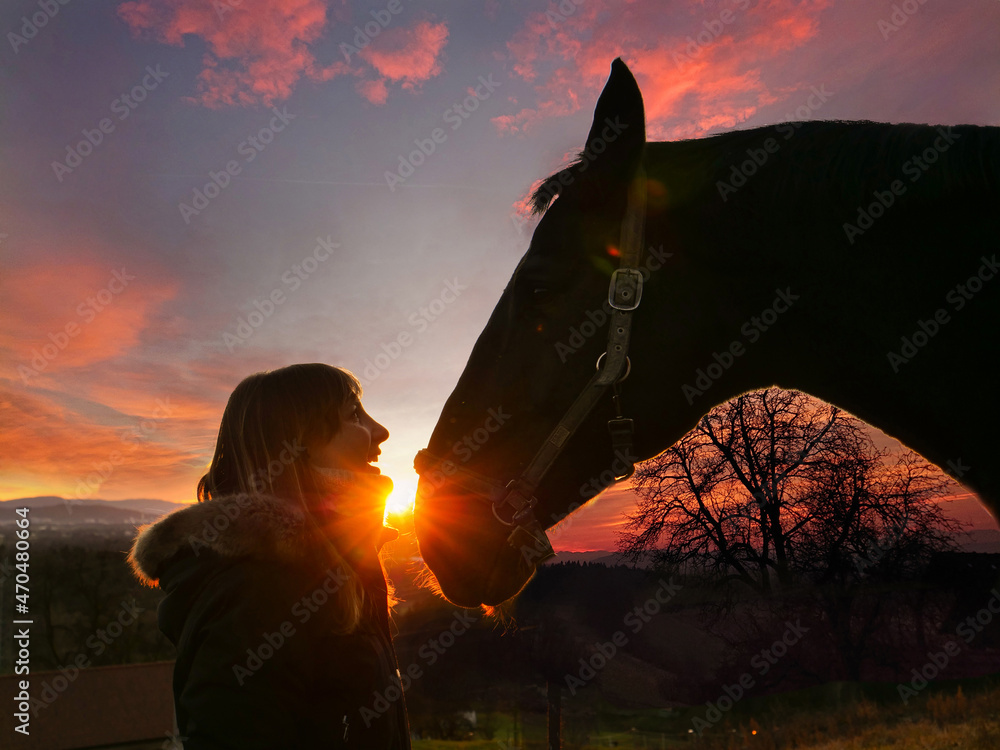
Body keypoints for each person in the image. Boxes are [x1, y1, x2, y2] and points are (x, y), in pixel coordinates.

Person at [129, 363, 410, 748]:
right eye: (354, 416)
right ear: (300, 444)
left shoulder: (332, 566)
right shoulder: (259, 589)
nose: (381, 432)